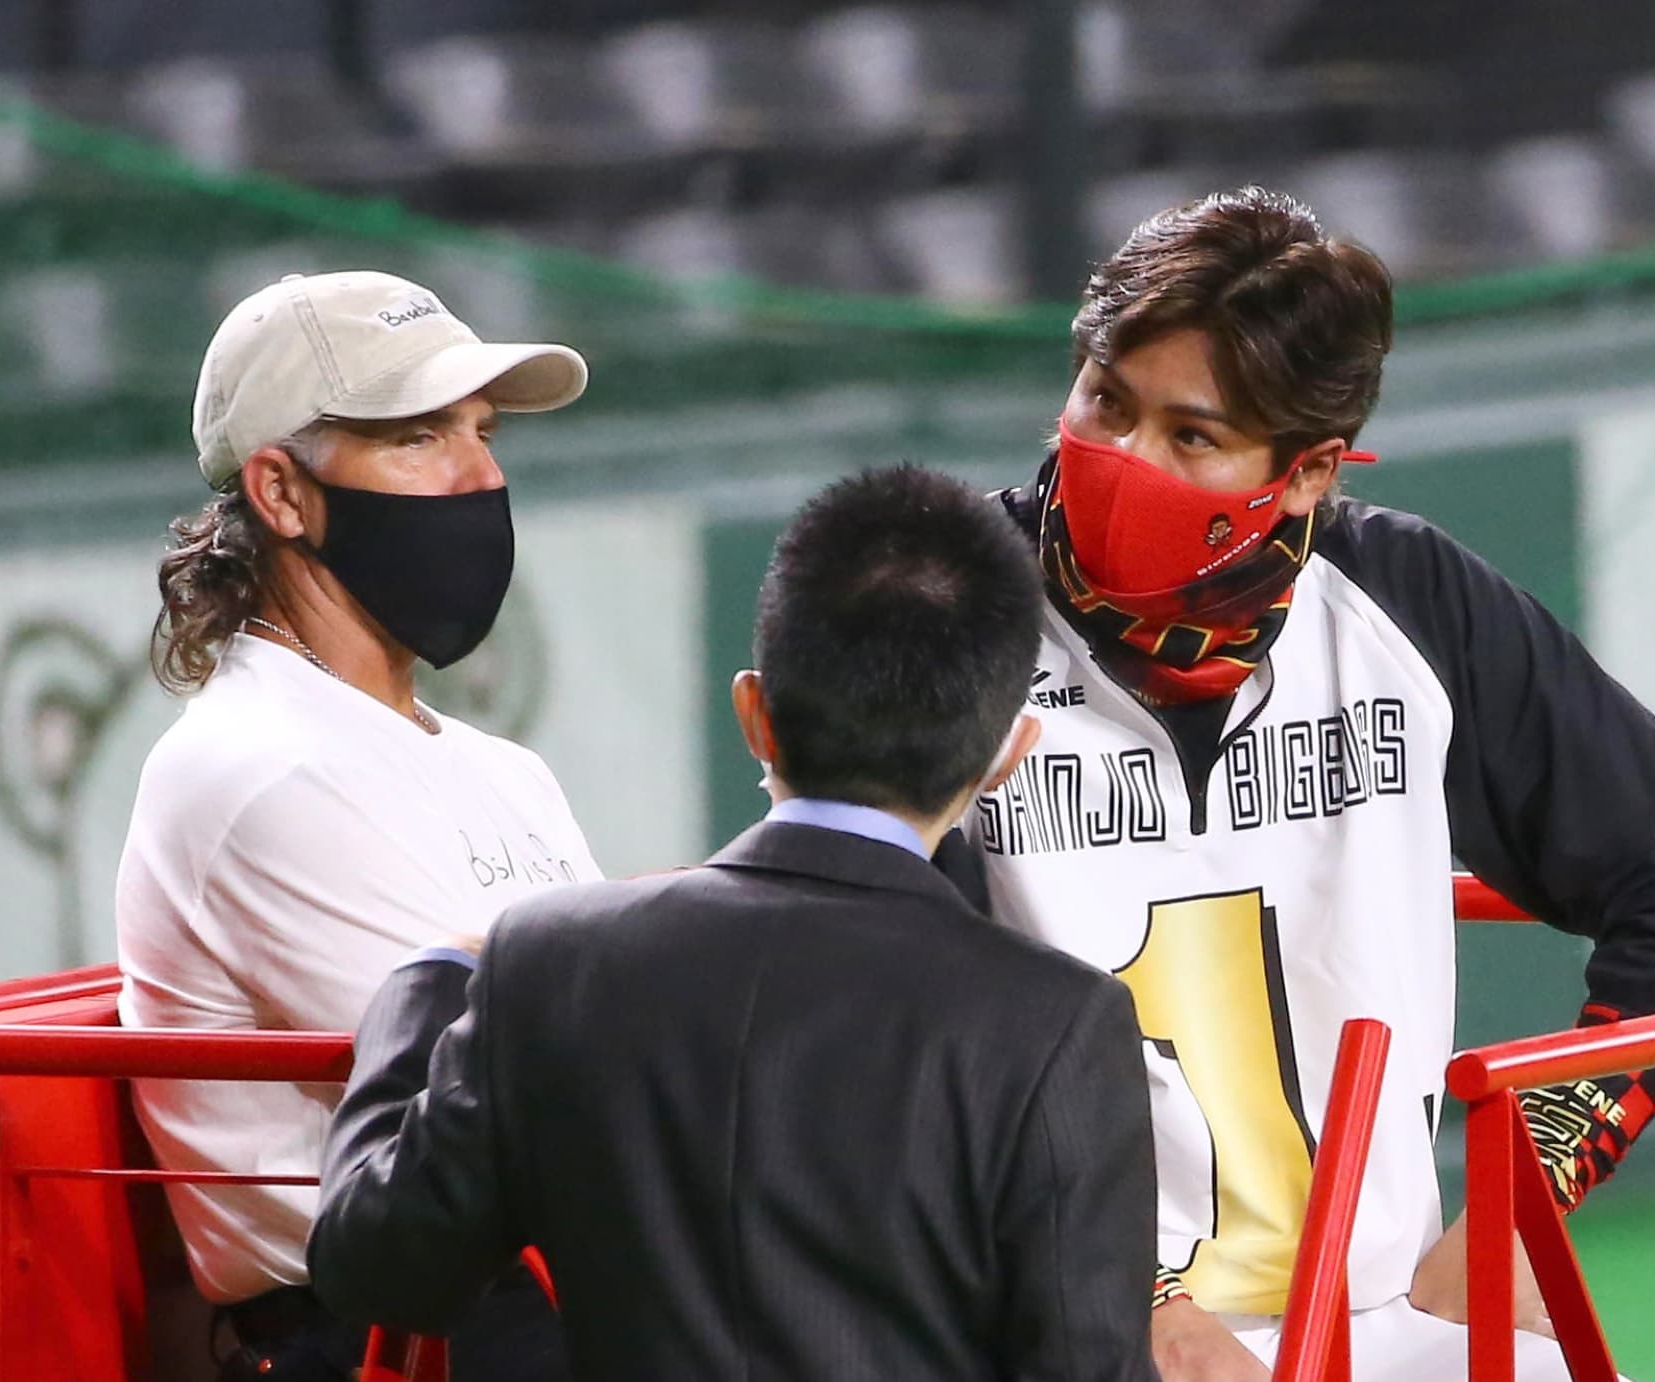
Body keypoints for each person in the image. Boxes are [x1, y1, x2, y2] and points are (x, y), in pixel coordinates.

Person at [965, 187, 1655, 1380]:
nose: (1118, 460)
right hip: (1051, 1335)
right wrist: (1127, 1301)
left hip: (1383, 1326)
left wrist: (1522, 1186)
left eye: (1190, 436)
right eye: (1104, 400)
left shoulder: (1403, 599)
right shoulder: (942, 609)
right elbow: (872, 1006)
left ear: (1304, 475)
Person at [308, 467, 1161, 1382]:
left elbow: (380, 1267)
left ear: (753, 711)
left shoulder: (547, 959)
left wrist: (429, 982)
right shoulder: (1060, 1023)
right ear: (1007, 757)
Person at [115, 270, 599, 1381]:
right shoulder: (249, 768)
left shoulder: (500, 769)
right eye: (420, 437)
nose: (483, 475)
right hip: (378, 1339)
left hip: (523, 1310)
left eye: (480, 431)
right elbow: (510, 1098)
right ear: (280, 493)